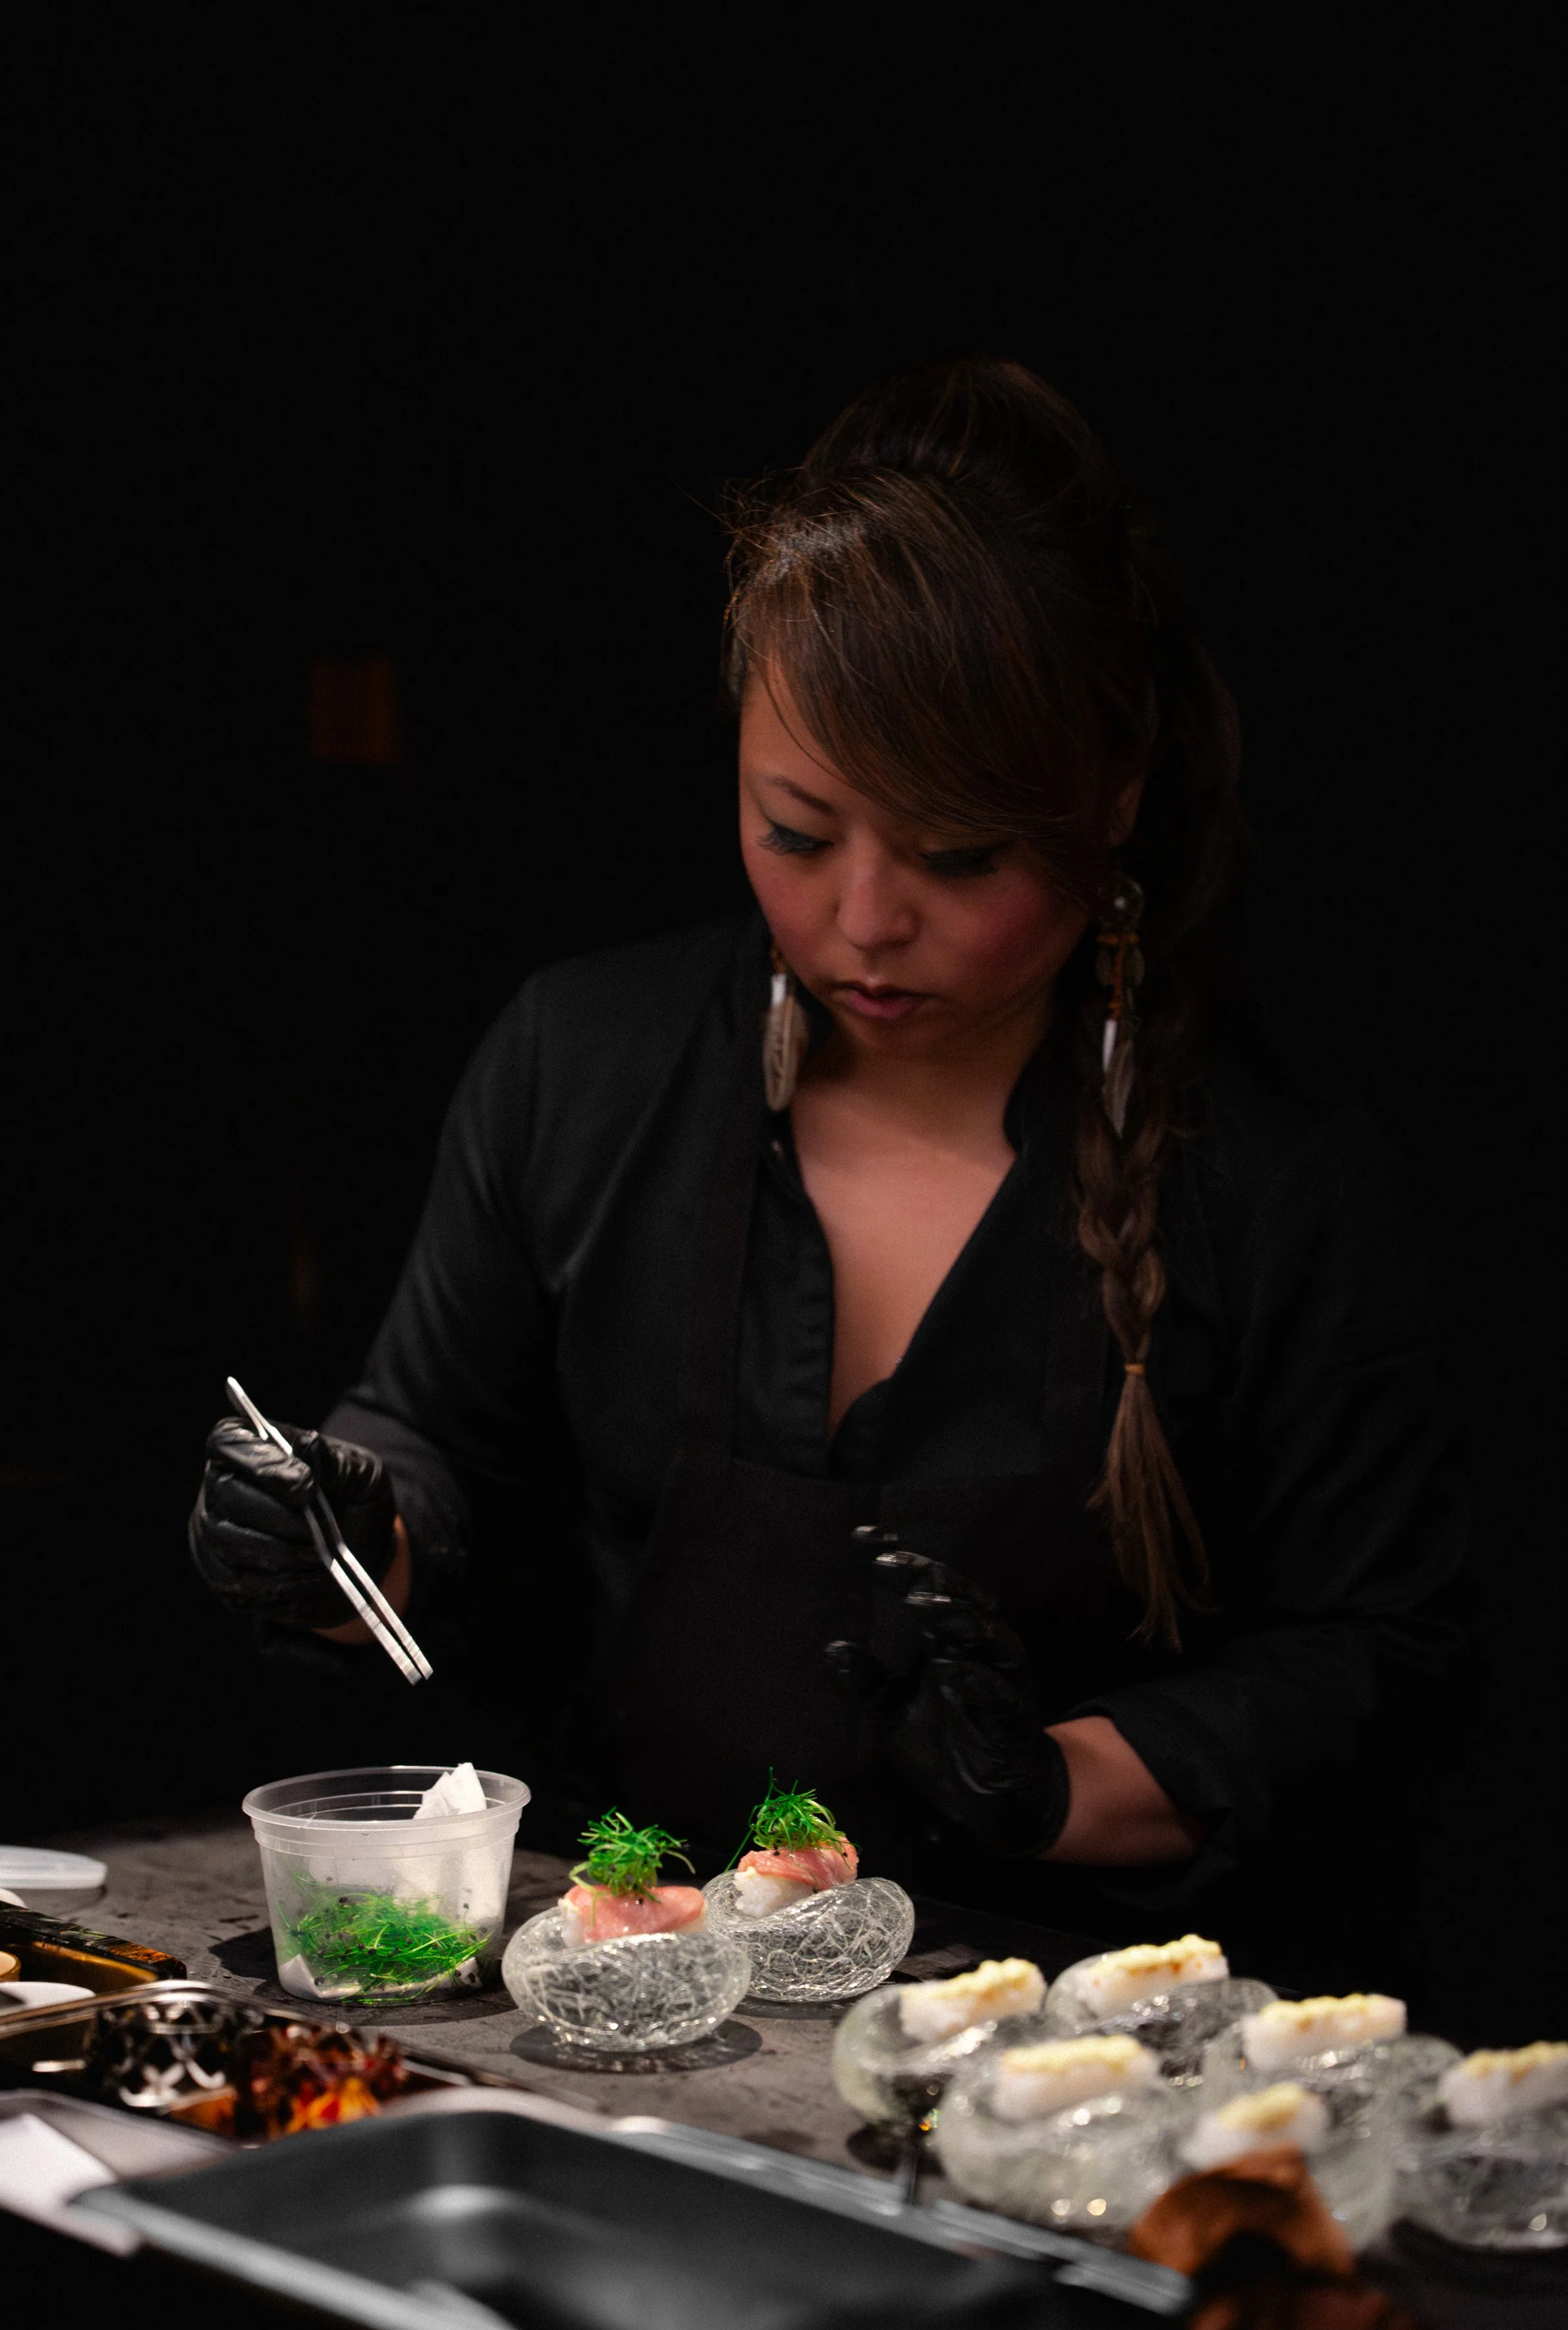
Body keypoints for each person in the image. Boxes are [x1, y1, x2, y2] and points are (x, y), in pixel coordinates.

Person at [189, 358, 1465, 1980]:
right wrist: (339, 1520)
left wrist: (1048, 1784)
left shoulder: (1278, 1182)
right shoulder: (582, 1063)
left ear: (1110, 807)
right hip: (627, 1986)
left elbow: (1375, 1651)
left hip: (1070, 2026)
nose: (865, 920)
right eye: (798, 831)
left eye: (958, 857)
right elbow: (432, 1433)